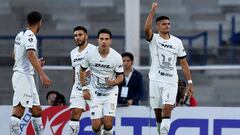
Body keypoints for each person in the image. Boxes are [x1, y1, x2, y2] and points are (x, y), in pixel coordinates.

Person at [144, 2, 194, 135]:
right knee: (157, 112)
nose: (167, 26)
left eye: (168, 24)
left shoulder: (177, 42)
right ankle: (161, 132)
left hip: (171, 81)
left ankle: (165, 133)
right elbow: (146, 29)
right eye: (164, 24)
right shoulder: (153, 39)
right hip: (155, 79)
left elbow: (183, 63)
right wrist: (152, 11)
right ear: (158, 26)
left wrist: (190, 82)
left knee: (167, 108)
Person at [10, 11, 52, 135]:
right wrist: (42, 74)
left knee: (37, 110)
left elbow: (15, 55)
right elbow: (30, 54)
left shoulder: (20, 34)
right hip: (23, 76)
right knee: (19, 111)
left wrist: (35, 63)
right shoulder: (30, 36)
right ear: (39, 22)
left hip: (26, 76)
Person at [80, 28, 124, 135]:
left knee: (108, 123)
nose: (104, 41)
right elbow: (81, 70)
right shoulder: (90, 54)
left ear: (110, 41)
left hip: (110, 93)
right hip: (94, 92)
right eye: (101, 39)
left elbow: (121, 77)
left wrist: (113, 82)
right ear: (97, 40)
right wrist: (84, 88)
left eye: (106, 39)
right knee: (96, 126)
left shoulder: (117, 57)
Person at [68, 26, 96, 134]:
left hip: (93, 87)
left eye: (80, 35)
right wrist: (75, 84)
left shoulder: (94, 49)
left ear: (86, 36)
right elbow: (74, 70)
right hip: (78, 88)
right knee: (75, 112)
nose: (77, 37)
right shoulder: (73, 53)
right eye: (75, 35)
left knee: (97, 120)